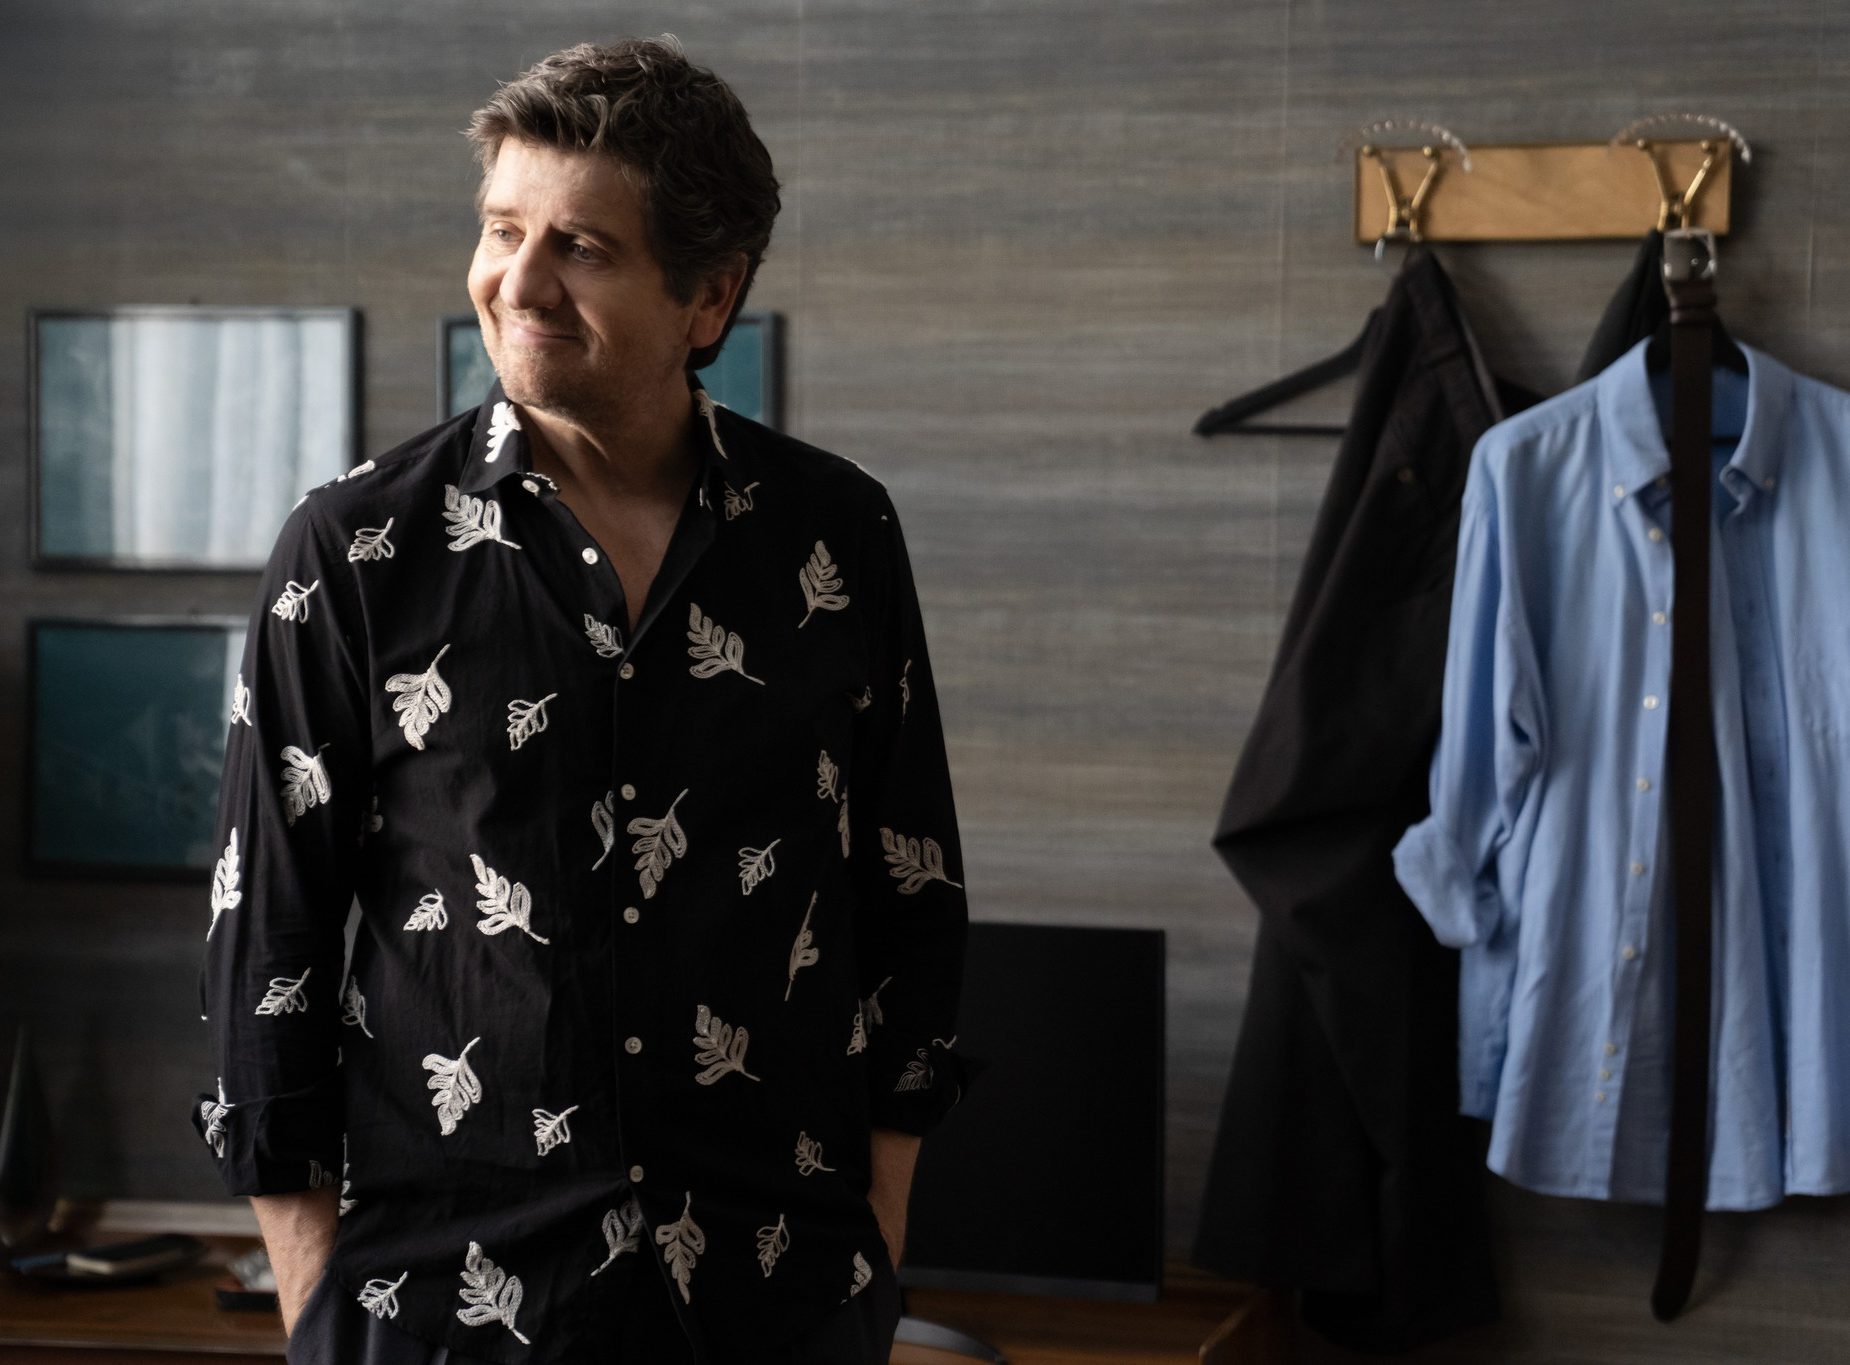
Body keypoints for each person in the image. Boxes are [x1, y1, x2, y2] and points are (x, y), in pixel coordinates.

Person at [190, 35, 984, 1365]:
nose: (518, 282)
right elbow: (264, 943)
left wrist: (873, 1256)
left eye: (583, 248)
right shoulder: (354, 552)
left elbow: (911, 894)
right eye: (503, 229)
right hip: (440, 1313)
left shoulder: (835, 534)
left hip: (773, 1298)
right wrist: (317, 1303)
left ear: (708, 297)